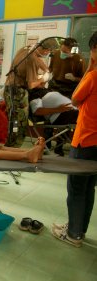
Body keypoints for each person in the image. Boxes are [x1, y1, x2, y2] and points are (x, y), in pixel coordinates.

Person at [52, 31, 97, 248]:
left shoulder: (93, 75)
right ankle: (78, 229)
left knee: (77, 188)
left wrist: (90, 66)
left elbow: (76, 98)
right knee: (89, 188)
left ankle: (73, 234)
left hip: (86, 139)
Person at [4, 42, 53, 147]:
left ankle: (11, 146)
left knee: (14, 120)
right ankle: (13, 148)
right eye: (48, 51)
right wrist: (43, 79)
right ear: (45, 50)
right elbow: (31, 85)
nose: (48, 53)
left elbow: (37, 59)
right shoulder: (30, 60)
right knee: (18, 122)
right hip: (17, 92)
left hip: (10, 89)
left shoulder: (27, 49)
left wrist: (46, 70)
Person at [29, 91, 79, 156]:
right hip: (61, 115)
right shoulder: (36, 96)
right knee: (85, 116)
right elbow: (37, 111)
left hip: (67, 112)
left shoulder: (44, 92)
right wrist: (58, 109)